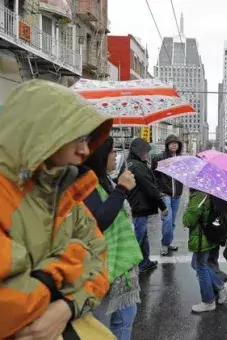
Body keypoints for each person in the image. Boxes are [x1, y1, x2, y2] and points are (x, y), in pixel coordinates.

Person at [0, 80, 111, 339]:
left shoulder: (62, 193)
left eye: (87, 139)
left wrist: (65, 307)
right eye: (76, 137)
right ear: (42, 133)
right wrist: (71, 263)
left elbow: (100, 257)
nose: (85, 150)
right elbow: (0, 307)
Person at [84, 137, 142, 340]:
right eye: (112, 151)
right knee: (103, 327)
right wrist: (122, 189)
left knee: (125, 319)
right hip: (103, 269)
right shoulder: (86, 184)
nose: (116, 155)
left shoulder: (105, 180)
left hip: (122, 267)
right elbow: (98, 221)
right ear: (99, 155)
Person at [183, 189, 227, 312]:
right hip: (211, 235)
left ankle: (209, 301)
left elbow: (188, 220)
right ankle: (221, 287)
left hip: (202, 238)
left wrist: (186, 210)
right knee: (197, 264)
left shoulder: (199, 195)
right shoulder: (214, 192)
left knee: (200, 266)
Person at [126, 138, 168, 273]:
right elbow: (149, 187)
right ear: (138, 152)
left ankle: (145, 262)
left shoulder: (136, 163)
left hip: (140, 206)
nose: (147, 154)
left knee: (143, 236)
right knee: (138, 237)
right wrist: (163, 206)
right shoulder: (137, 166)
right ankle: (129, 266)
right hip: (139, 206)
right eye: (145, 152)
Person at [151, 135, 184, 256]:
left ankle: (169, 242)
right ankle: (165, 244)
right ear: (167, 145)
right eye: (171, 143)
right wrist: (158, 190)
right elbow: (153, 175)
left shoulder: (181, 159)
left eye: (176, 143)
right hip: (165, 194)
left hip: (177, 195)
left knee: (172, 221)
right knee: (167, 219)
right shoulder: (160, 158)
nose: (174, 145)